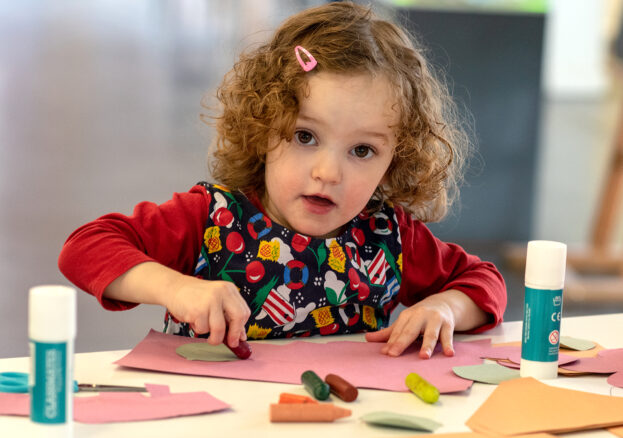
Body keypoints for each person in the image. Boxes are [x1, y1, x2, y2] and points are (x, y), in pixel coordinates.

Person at [58, 2, 506, 359]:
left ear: (396, 160)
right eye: (305, 136)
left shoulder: (391, 236)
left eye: (362, 150)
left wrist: (445, 306)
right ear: (262, 127)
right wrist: (176, 288)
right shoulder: (211, 219)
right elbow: (86, 247)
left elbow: (483, 282)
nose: (328, 173)